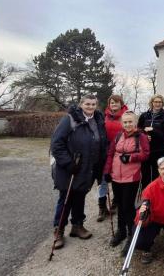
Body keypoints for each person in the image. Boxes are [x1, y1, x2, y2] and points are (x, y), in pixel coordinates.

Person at [50, 94, 107, 249]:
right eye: (87, 104)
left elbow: (101, 142)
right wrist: (68, 163)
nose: (90, 107)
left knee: (80, 196)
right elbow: (56, 144)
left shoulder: (98, 120)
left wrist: (101, 164)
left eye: (93, 104)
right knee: (66, 198)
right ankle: (59, 230)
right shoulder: (69, 119)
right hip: (71, 168)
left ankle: (77, 226)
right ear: (81, 104)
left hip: (88, 168)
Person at [103, 111, 150, 255]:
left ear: (135, 123)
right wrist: (107, 171)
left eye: (130, 122)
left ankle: (131, 235)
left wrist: (130, 158)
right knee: (119, 204)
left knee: (128, 207)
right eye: (125, 122)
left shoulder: (140, 137)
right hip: (116, 176)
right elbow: (111, 153)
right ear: (122, 123)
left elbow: (146, 154)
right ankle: (121, 231)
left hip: (131, 177)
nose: (128, 124)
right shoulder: (118, 136)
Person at [97, 94, 128, 222]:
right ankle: (102, 206)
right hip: (105, 152)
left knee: (118, 179)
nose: (113, 105)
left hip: (120, 152)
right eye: (111, 103)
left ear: (121, 103)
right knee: (102, 179)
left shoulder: (126, 116)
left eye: (116, 102)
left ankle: (116, 202)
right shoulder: (103, 117)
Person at [138, 94, 164, 188]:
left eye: (160, 102)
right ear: (152, 103)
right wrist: (144, 136)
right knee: (145, 176)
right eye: (155, 102)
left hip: (158, 151)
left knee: (157, 176)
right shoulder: (144, 116)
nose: (157, 104)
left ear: (162, 104)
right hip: (145, 151)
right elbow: (138, 131)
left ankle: (156, 198)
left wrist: (153, 130)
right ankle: (146, 198)